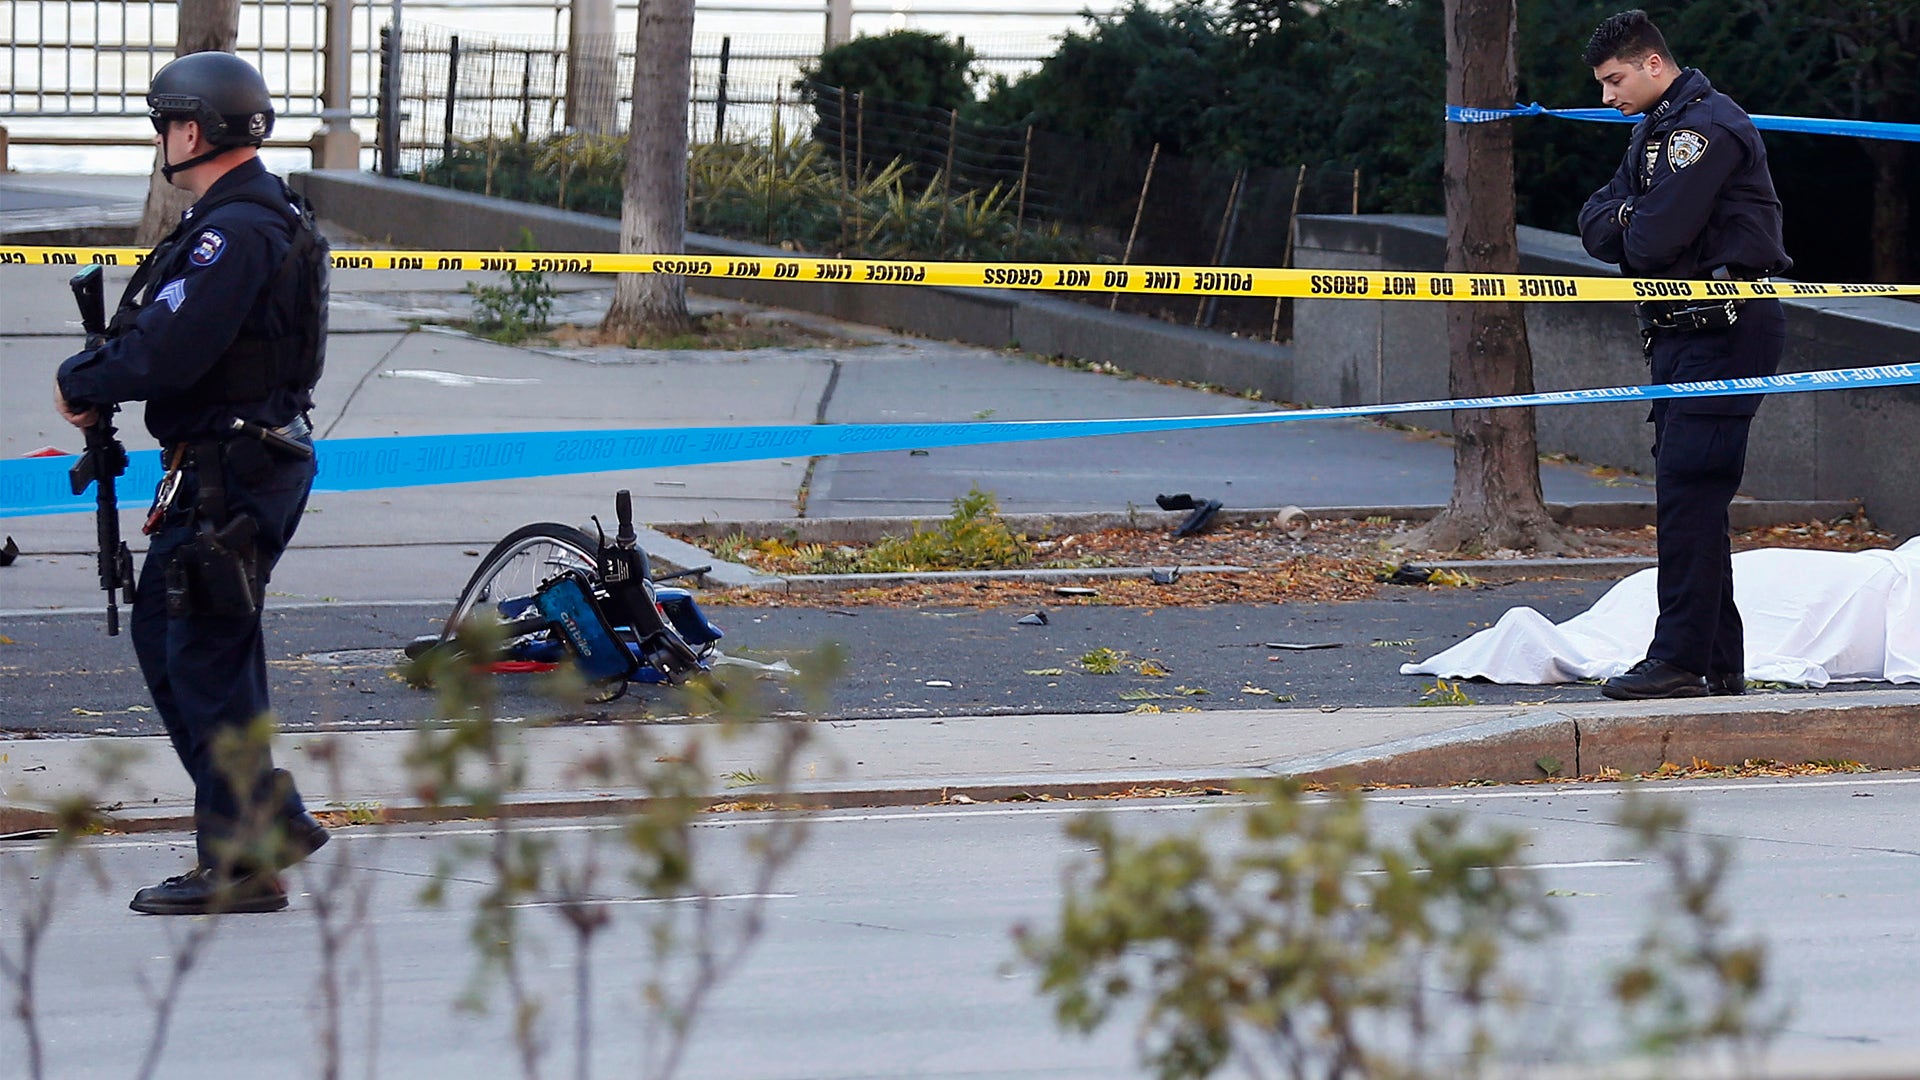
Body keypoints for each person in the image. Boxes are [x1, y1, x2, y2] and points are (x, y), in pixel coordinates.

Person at [54, 51, 332, 914]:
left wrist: (86, 379)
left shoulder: (235, 228)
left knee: (204, 657)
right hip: (229, 462)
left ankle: (244, 858)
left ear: (194, 129)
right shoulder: (248, 213)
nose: (161, 138)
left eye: (166, 122)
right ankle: (263, 821)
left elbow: (173, 344)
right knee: (184, 646)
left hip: (234, 469)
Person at [1576, 11, 1791, 701]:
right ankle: (1719, 660)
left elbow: (1649, 241)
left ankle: (1678, 661)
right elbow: (1594, 224)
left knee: (1689, 494)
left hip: (1725, 328)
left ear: (1652, 64)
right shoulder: (1650, 131)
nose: (1607, 97)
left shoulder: (1708, 129)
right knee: (1693, 497)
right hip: (1678, 334)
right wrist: (1633, 219)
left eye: (1614, 81)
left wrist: (1632, 220)